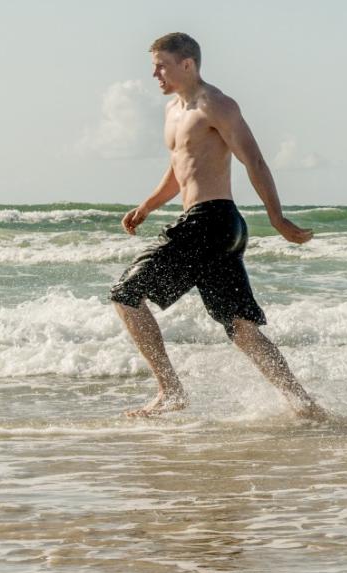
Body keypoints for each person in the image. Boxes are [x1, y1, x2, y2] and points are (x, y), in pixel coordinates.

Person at [109, 32, 322, 419]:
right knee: (241, 327)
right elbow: (179, 170)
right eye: (154, 66)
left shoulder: (216, 105)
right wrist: (146, 207)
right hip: (218, 227)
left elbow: (254, 161)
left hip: (211, 221)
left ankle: (170, 392)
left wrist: (276, 216)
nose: (155, 74)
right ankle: (303, 404)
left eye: (162, 65)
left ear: (187, 64)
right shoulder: (173, 110)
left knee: (125, 294)